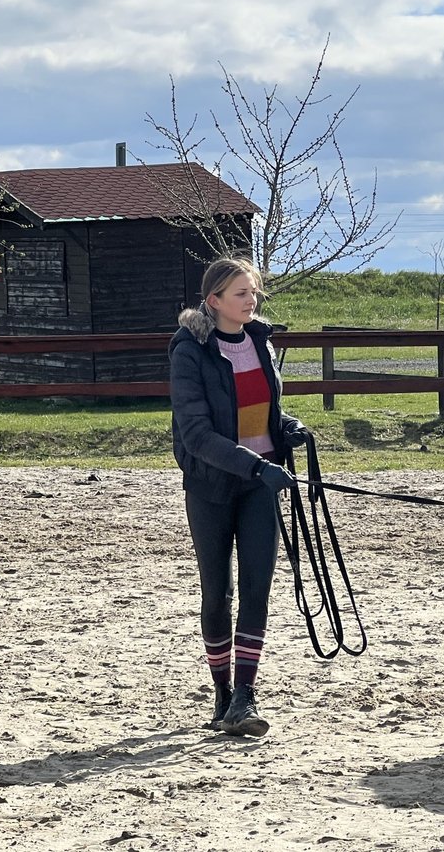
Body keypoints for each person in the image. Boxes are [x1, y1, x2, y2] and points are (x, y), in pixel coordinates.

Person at [168, 255, 310, 737]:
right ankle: (223, 692)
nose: (252, 301)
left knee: (257, 589)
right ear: (214, 302)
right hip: (212, 485)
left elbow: (260, 410)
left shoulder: (260, 344)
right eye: (241, 294)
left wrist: (286, 430)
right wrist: (256, 465)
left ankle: (245, 696)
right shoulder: (191, 352)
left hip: (260, 484)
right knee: (218, 592)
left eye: (253, 292)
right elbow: (196, 433)